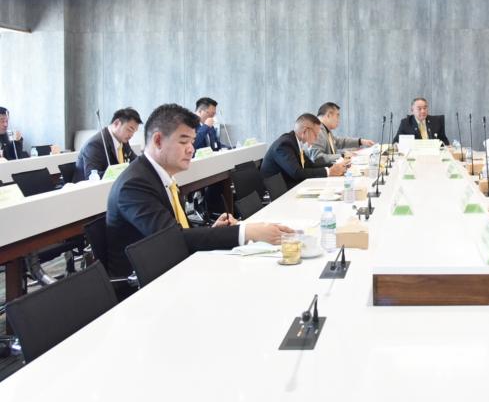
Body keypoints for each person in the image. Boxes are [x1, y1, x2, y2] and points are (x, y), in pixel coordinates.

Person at [105, 103, 291, 281]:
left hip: (172, 266)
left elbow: (174, 232)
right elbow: (170, 240)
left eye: (192, 141)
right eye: (183, 141)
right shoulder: (134, 185)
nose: (191, 149)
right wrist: (245, 232)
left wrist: (211, 231)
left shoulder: (159, 176)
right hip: (144, 283)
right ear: (158, 140)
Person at [261, 113, 347, 189]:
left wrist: (335, 166)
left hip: (292, 185)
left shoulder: (295, 142)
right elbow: (297, 173)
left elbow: (310, 165)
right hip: (279, 192)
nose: (317, 138)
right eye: (315, 134)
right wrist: (328, 171)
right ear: (305, 131)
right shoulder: (284, 145)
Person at [75, 107, 142, 181]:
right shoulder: (95, 144)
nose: (131, 135)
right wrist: (122, 173)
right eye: (129, 130)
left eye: (134, 132)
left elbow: (135, 162)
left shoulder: (123, 141)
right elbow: (92, 177)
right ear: (116, 123)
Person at [309, 102, 375, 165]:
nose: (339, 120)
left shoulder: (324, 129)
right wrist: (343, 155)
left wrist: (360, 141)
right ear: (328, 115)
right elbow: (317, 158)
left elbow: (338, 142)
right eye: (337, 116)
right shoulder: (318, 131)